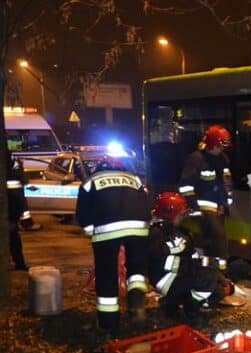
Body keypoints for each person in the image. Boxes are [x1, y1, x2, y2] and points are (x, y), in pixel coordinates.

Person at [76, 156, 150, 336]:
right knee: (137, 269)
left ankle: (109, 324)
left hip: (106, 232)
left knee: (106, 274)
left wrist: (90, 231)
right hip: (139, 229)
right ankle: (137, 306)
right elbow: (146, 204)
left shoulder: (90, 182)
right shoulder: (135, 179)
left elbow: (82, 213)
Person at [148, 192, 226, 325]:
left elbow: (193, 255)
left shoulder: (182, 232)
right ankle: (191, 310)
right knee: (207, 278)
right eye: (181, 214)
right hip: (165, 279)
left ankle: (172, 304)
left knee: (217, 287)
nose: (183, 217)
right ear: (170, 213)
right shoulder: (156, 234)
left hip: (180, 275)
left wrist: (218, 275)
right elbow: (161, 262)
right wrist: (197, 267)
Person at [177, 124, 232, 270]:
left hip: (218, 208)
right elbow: (186, 187)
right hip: (203, 209)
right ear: (213, 144)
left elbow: (225, 183)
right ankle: (218, 273)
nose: (222, 149)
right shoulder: (196, 160)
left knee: (213, 242)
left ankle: (210, 272)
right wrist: (196, 208)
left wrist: (224, 204)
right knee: (219, 240)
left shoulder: (223, 159)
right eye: (220, 146)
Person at [6, 151, 31, 271]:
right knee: (14, 240)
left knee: (13, 240)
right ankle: (19, 264)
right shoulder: (13, 170)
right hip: (10, 214)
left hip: (11, 213)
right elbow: (18, 197)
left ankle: (19, 263)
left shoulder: (12, 163)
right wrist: (24, 217)